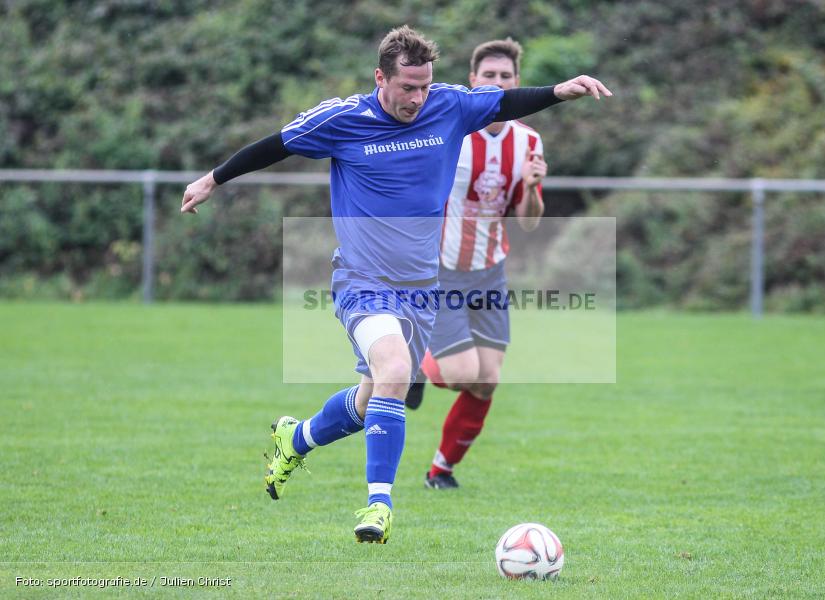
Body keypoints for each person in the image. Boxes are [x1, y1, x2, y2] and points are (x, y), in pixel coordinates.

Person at [181, 25, 612, 544]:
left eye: (424, 86)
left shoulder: (448, 106)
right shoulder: (343, 119)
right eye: (407, 87)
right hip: (362, 280)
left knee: (373, 398)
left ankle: (293, 439)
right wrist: (212, 179)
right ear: (380, 77)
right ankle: (378, 505)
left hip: (421, 288)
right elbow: (274, 147)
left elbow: (502, 103)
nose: (417, 98)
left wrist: (559, 91)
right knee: (395, 370)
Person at [403, 38, 548, 491]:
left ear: (516, 84)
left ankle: (440, 470)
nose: (497, 83)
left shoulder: (529, 140)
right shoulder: (451, 130)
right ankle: (412, 367)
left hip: (490, 271)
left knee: (487, 382)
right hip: (440, 270)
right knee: (464, 373)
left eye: (505, 77)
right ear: (472, 81)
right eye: (489, 75)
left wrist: (531, 187)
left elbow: (528, 223)